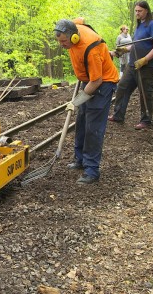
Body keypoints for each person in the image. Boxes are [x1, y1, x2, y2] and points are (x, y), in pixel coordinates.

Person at [54, 18, 119, 185]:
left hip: (103, 82)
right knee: (82, 121)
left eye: (63, 41)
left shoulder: (91, 48)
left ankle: (92, 169)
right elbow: (80, 20)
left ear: (74, 37)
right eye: (59, 41)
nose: (62, 45)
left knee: (93, 127)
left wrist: (75, 102)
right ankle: (80, 159)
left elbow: (96, 81)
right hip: (87, 80)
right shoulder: (74, 29)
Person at [108, 0, 153, 130]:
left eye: (140, 11)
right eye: (136, 11)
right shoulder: (139, 25)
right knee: (122, 86)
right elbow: (136, 45)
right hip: (132, 64)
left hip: (146, 66)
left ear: (146, 11)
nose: (137, 13)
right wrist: (122, 50)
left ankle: (146, 120)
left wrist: (145, 59)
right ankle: (118, 115)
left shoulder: (152, 24)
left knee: (145, 93)